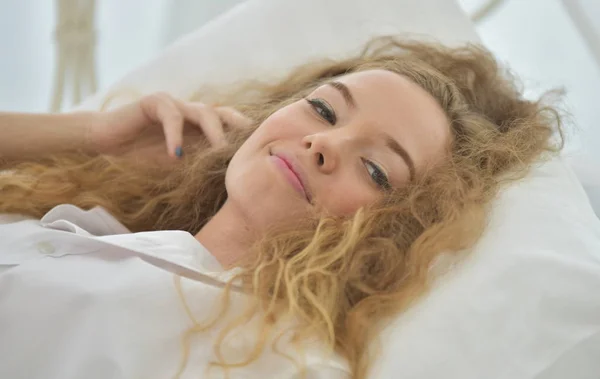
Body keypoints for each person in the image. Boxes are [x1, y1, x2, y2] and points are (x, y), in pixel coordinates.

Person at [0, 37, 562, 379]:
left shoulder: (276, 359)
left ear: (392, 230)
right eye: (322, 109)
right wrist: (91, 136)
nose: (325, 145)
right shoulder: (98, 223)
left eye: (375, 169)